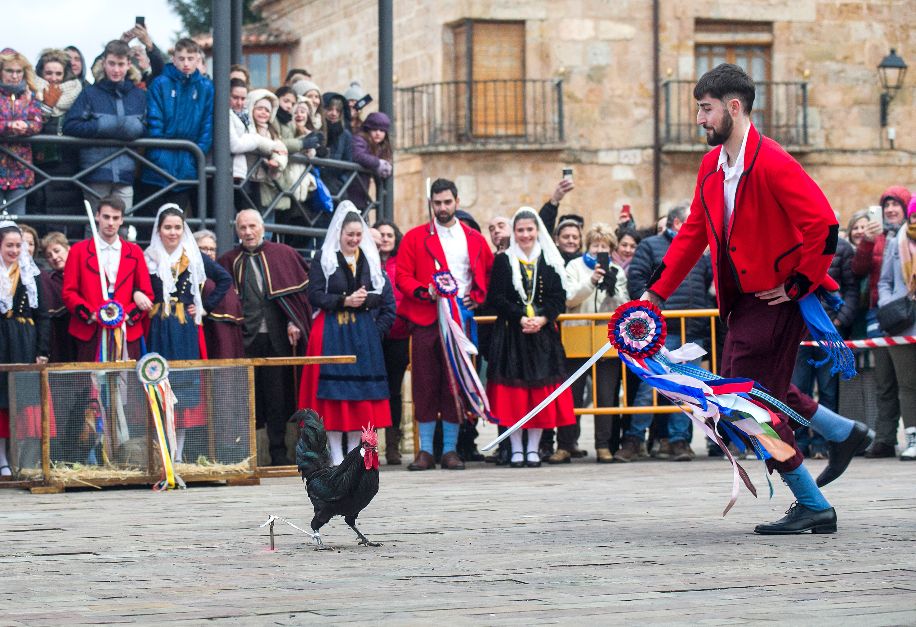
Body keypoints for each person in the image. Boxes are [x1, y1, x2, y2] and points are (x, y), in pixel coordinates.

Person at [640, 63, 841, 534]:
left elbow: (825, 227)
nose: (699, 120)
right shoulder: (711, 166)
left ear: (734, 107)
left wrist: (798, 284)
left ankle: (814, 502)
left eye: (706, 109)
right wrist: (654, 293)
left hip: (776, 303)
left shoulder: (772, 160)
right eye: (698, 110)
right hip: (741, 304)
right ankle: (840, 436)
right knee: (744, 399)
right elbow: (692, 235)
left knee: (742, 402)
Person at [396, 178, 494, 470]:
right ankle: (426, 450)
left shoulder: (474, 238)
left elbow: (488, 273)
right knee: (424, 383)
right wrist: (424, 291)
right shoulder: (414, 237)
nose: (442, 208)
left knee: (456, 385)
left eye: (447, 202)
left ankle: (450, 449)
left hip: (460, 319)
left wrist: (478, 297)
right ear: (431, 204)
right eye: (437, 203)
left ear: (457, 202)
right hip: (426, 317)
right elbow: (402, 276)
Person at [299, 202, 395, 465]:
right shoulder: (324, 258)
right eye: (349, 234)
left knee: (360, 395)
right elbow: (315, 296)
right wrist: (344, 301)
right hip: (332, 328)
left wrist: (362, 301)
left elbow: (382, 296)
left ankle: (357, 449)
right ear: (339, 233)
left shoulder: (369, 259)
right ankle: (334, 451)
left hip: (361, 331)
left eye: (357, 235)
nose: (354, 239)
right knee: (332, 393)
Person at [218, 209, 311, 465]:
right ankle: (246, 454)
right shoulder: (228, 260)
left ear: (262, 228)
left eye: (252, 227)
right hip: (244, 340)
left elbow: (298, 299)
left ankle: (279, 452)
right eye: (242, 228)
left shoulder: (284, 255)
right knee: (245, 397)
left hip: (278, 339)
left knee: (278, 396)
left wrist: (294, 321)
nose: (248, 232)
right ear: (237, 231)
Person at [622, 204, 714, 462]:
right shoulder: (651, 246)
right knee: (649, 386)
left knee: (687, 388)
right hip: (661, 331)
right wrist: (653, 315)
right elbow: (637, 280)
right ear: (677, 223)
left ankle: (679, 440)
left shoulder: (700, 253)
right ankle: (634, 438)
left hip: (692, 329)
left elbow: (707, 284)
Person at [486, 208, 575, 468]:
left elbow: (558, 298)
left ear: (537, 231)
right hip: (512, 335)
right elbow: (496, 298)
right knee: (514, 396)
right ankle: (515, 449)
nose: (525, 235)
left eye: (529, 230)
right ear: (514, 232)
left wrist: (544, 318)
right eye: (520, 230)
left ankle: (534, 448)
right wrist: (519, 317)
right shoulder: (504, 260)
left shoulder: (549, 260)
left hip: (542, 337)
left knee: (538, 393)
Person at [145, 204, 231, 462]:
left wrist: (204, 306)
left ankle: (178, 455)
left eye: (177, 227)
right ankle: (162, 454)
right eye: (167, 227)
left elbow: (224, 279)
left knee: (182, 390)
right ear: (159, 230)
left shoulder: (193, 256)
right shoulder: (148, 257)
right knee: (158, 381)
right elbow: (138, 284)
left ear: (184, 230)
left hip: (183, 329)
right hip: (158, 327)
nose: (172, 232)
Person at [553, 223, 628, 464]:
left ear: (611, 249)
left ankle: (603, 445)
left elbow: (624, 305)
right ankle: (565, 444)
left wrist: (612, 286)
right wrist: (592, 282)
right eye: (595, 245)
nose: (598, 250)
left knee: (606, 395)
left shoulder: (617, 270)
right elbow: (569, 298)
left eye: (604, 246)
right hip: (576, 338)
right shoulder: (574, 266)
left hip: (605, 341)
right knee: (571, 395)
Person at [853, 186, 912, 458]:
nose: (890, 210)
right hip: (883, 316)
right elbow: (860, 269)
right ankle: (885, 438)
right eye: (886, 205)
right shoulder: (879, 238)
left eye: (895, 205)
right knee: (885, 381)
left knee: (907, 381)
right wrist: (867, 241)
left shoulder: (906, 236)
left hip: (907, 318)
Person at [62, 195, 153, 362]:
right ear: (97, 216)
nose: (110, 223)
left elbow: (148, 293)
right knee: (89, 384)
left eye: (115, 218)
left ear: (122, 220)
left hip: (126, 329)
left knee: (126, 383)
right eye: (106, 217)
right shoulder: (78, 251)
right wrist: (91, 314)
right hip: (90, 329)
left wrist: (127, 315)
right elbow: (69, 292)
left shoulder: (135, 252)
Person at [63, 40, 146, 212]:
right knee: (95, 226)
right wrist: (102, 125)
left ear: (129, 64)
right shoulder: (90, 93)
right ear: (104, 63)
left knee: (122, 227)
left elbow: (150, 126)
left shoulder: (139, 95)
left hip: (126, 172)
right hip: (95, 170)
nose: (116, 70)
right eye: (112, 64)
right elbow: (70, 126)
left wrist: (135, 129)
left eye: (121, 64)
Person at [139, 38, 213, 214]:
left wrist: (195, 155)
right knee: (150, 225)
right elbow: (153, 120)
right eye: (181, 58)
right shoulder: (160, 83)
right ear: (174, 59)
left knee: (176, 223)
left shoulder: (206, 88)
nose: (186, 63)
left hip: (187, 166)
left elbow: (207, 126)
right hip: (157, 166)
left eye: (190, 58)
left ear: (197, 60)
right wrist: (159, 154)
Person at [0, 221, 49, 477]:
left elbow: (42, 315)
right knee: (0, 400)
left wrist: (42, 350)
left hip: (23, 340)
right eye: (9, 245)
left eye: (18, 245)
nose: (15, 249)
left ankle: (20, 458)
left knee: (20, 399)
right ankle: (2, 459)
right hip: (1, 338)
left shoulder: (31, 273)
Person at [876, 197, 916, 460]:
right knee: (907, 384)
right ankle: (912, 436)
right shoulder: (896, 242)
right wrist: (891, 306)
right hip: (903, 323)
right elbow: (885, 282)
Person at [29, 49, 83, 223]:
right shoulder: (30, 93)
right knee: (37, 209)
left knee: (67, 215)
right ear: (40, 73)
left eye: (58, 73)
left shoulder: (77, 92)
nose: (53, 78)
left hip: (68, 165)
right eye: (49, 73)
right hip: (37, 164)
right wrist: (45, 109)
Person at [374, 219, 409, 464]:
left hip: (397, 332)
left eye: (389, 234)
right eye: (381, 234)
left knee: (394, 391)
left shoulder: (402, 262)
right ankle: (370, 446)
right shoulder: (367, 261)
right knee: (372, 391)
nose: (385, 238)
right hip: (373, 334)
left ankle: (393, 444)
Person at [0, 48, 43, 215]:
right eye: (9, 71)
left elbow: (37, 123)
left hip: (20, 168)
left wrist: (26, 127)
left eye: (19, 71)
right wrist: (9, 127)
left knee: (17, 221)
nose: (15, 75)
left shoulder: (31, 96)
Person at [194, 230, 245, 359]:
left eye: (212, 249)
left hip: (221, 336)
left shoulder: (221, 275)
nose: (209, 253)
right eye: (203, 249)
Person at [39, 232, 76, 363]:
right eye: (49, 256)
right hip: (61, 338)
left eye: (57, 251)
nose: (54, 257)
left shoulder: (82, 274)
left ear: (68, 249)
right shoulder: (49, 281)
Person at [349, 112, 392, 210]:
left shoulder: (380, 146)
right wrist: (378, 163)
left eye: (382, 130)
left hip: (361, 191)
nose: (378, 133)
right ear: (368, 129)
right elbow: (358, 155)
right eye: (374, 129)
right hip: (351, 188)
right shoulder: (359, 139)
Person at [320, 92, 354, 196]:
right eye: (330, 109)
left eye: (338, 110)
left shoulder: (346, 135)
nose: (334, 113)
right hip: (317, 186)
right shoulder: (316, 130)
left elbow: (349, 163)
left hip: (337, 189)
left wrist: (341, 183)